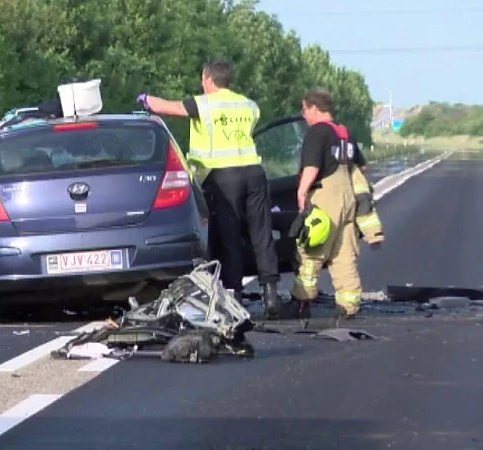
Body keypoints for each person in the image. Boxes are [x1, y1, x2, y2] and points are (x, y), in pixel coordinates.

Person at [136, 60, 280, 320]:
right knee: (262, 234)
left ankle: (234, 295)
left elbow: (170, 107)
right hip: (254, 173)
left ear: (208, 79)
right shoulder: (248, 104)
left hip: (225, 177)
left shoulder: (203, 103)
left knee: (230, 237)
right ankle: (271, 294)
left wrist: (146, 100)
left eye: (203, 79)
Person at [281, 87, 363, 320]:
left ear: (315, 108)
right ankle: (349, 306)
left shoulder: (317, 132)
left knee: (312, 249)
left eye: (305, 109)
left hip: (325, 196)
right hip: (348, 196)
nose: (304, 114)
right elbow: (360, 167)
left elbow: (312, 166)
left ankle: (300, 303)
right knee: (343, 253)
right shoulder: (345, 132)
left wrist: (302, 191)